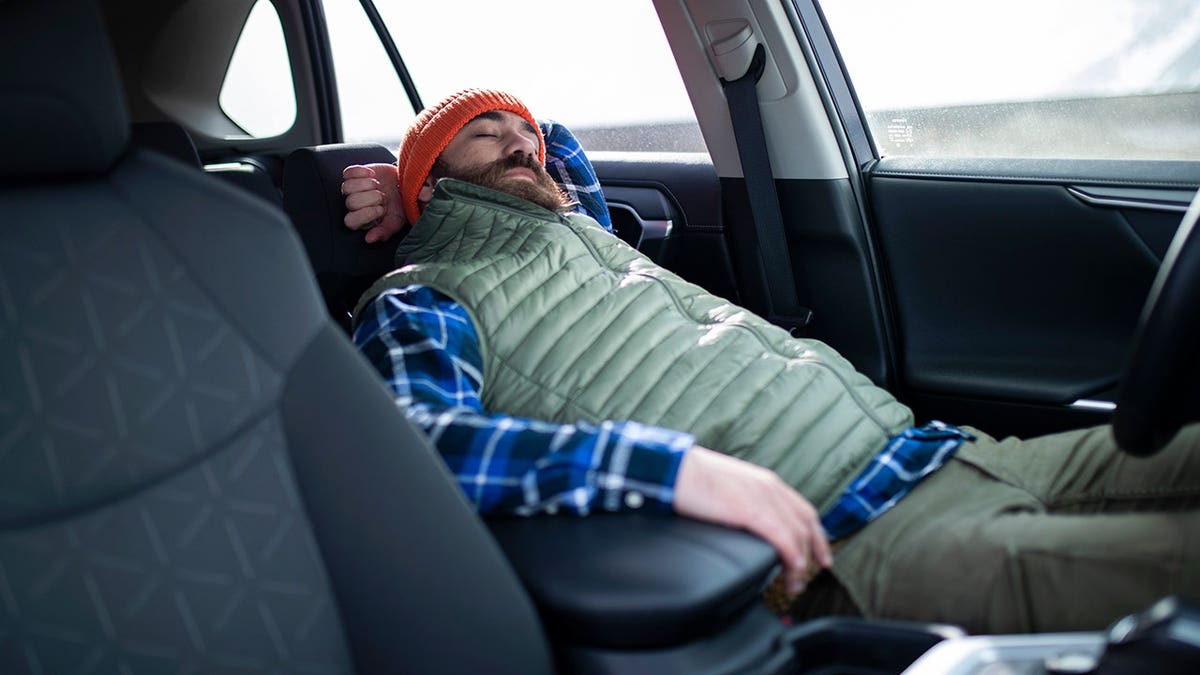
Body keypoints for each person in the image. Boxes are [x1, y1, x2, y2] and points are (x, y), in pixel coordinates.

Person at [343, 88, 1200, 634]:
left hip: (945, 454)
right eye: (484, 139)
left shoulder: (584, 234)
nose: (520, 144)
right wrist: (668, 471)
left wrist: (461, 155)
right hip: (854, 543)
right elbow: (417, 449)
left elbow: (555, 140)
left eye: (517, 130)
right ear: (431, 184)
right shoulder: (423, 293)